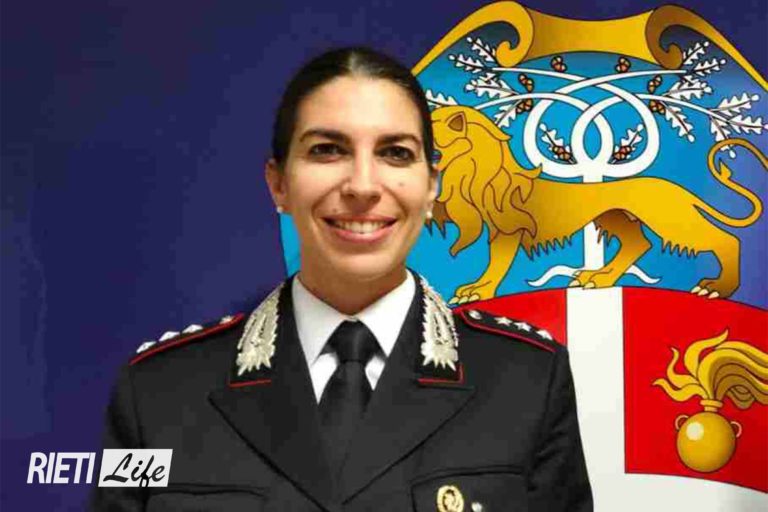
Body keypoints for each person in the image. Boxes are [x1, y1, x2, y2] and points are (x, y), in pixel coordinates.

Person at [92, 47, 592, 512]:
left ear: (431, 186)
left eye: (395, 153)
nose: (363, 186)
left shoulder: (527, 382)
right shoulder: (156, 394)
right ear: (278, 184)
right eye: (328, 150)